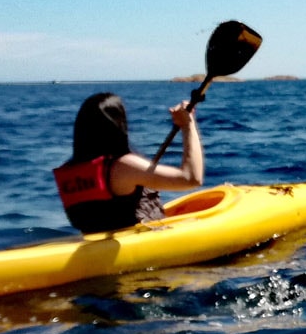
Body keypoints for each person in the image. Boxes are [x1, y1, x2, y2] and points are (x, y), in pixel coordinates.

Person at [53, 92, 204, 234]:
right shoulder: (124, 167)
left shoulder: (69, 169)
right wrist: (188, 124)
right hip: (140, 246)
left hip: (94, 246)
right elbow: (191, 178)